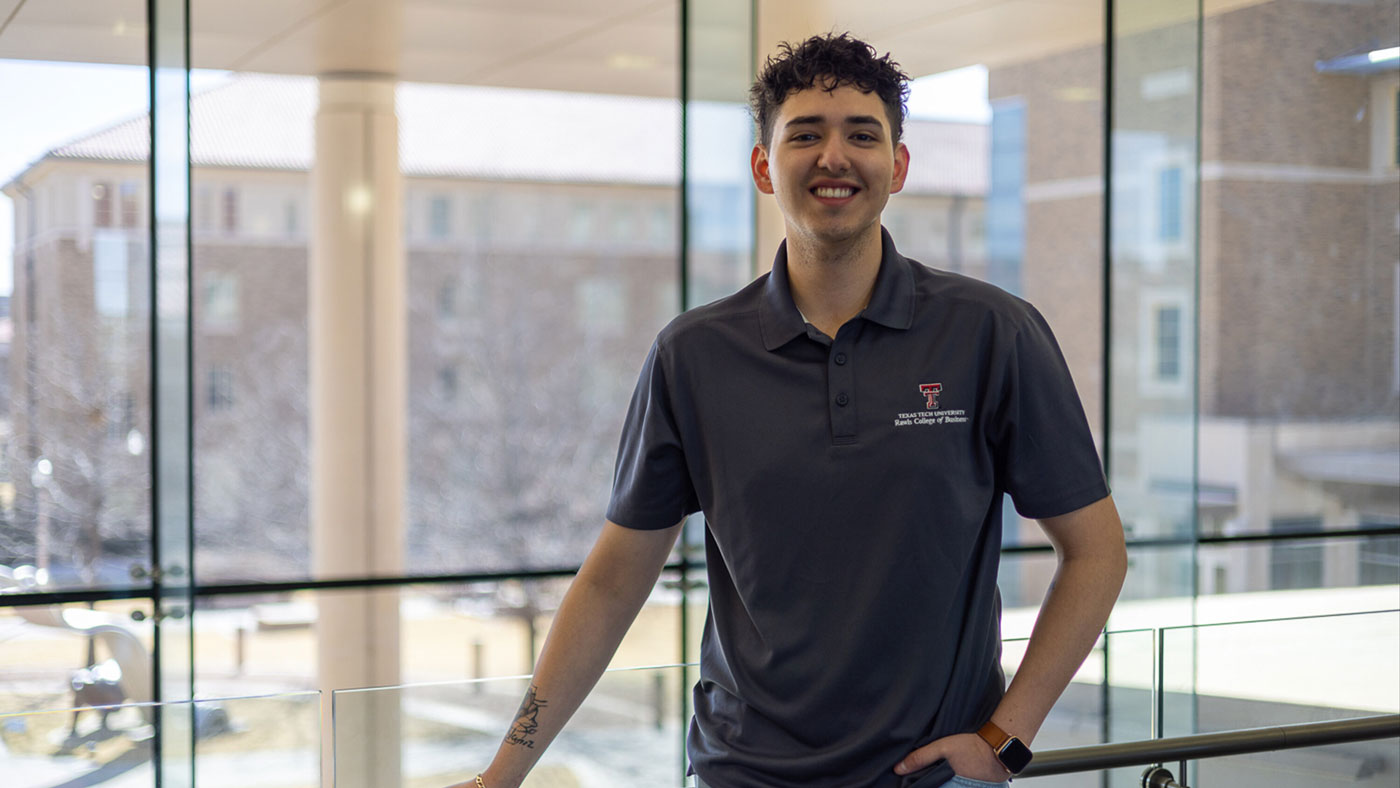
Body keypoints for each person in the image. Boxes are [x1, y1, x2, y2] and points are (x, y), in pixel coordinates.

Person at [452, 33, 1127, 788]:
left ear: (898, 167)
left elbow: (1096, 550)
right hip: (743, 773)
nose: (833, 157)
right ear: (764, 168)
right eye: (805, 134)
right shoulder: (693, 355)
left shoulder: (991, 333)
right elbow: (613, 582)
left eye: (861, 135)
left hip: (933, 778)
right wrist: (501, 776)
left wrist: (1006, 737)